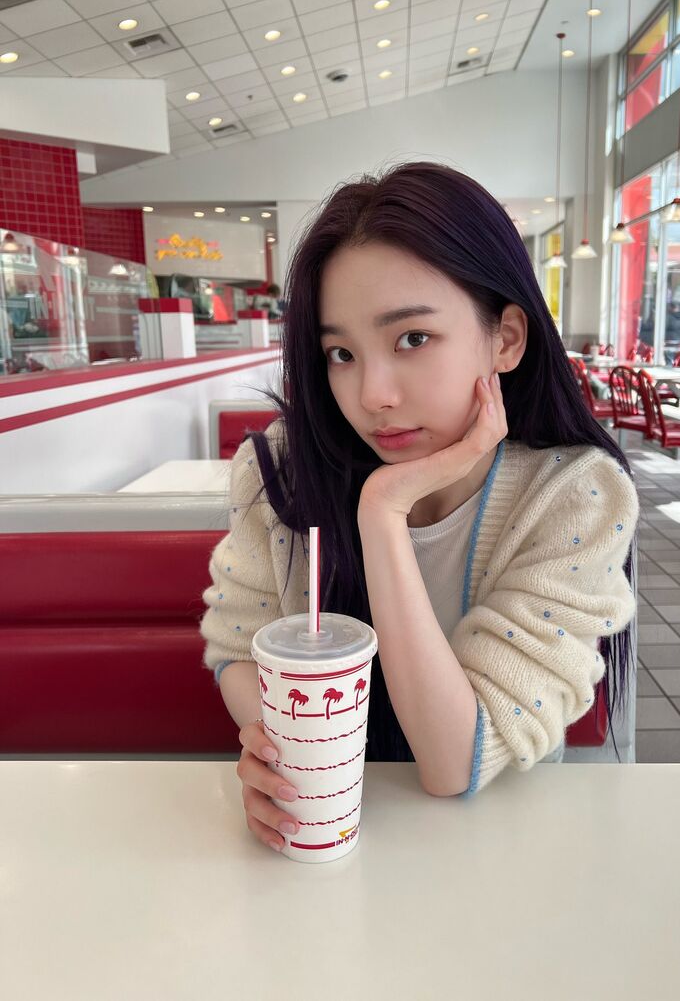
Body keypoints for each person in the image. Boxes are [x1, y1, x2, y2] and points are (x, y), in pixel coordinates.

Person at [199, 162, 639, 854]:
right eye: (340, 353)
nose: (372, 394)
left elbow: (454, 762)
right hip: (322, 850)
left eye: (412, 339)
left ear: (506, 338)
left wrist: (382, 511)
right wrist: (282, 755)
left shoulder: (572, 498)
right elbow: (239, 640)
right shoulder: (282, 469)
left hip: (501, 852)